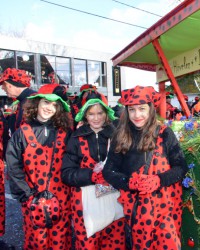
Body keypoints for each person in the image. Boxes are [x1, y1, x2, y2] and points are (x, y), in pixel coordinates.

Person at [103, 85, 188, 250]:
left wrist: (159, 180)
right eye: (132, 110)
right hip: (136, 212)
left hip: (165, 209)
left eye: (141, 109)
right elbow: (109, 171)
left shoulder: (165, 133)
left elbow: (181, 166)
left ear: (150, 109)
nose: (137, 115)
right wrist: (128, 182)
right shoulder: (120, 136)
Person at [6, 84, 73, 249]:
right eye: (46, 102)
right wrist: (28, 196)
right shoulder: (22, 133)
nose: (49, 108)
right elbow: (14, 169)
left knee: (61, 243)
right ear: (37, 103)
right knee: (37, 242)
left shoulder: (66, 133)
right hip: (32, 199)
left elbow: (74, 163)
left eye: (54, 105)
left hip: (62, 200)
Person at [61, 98, 126, 249]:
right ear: (85, 116)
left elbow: (126, 166)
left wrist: (114, 174)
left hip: (113, 198)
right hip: (84, 202)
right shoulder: (76, 138)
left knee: (114, 242)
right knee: (87, 243)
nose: (96, 118)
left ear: (106, 115)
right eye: (91, 114)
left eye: (99, 113)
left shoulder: (116, 136)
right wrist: (91, 176)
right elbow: (66, 173)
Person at [0, 68, 36, 134]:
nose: (2, 88)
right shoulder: (25, 99)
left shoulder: (34, 100)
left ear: (9, 85)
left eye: (3, 84)